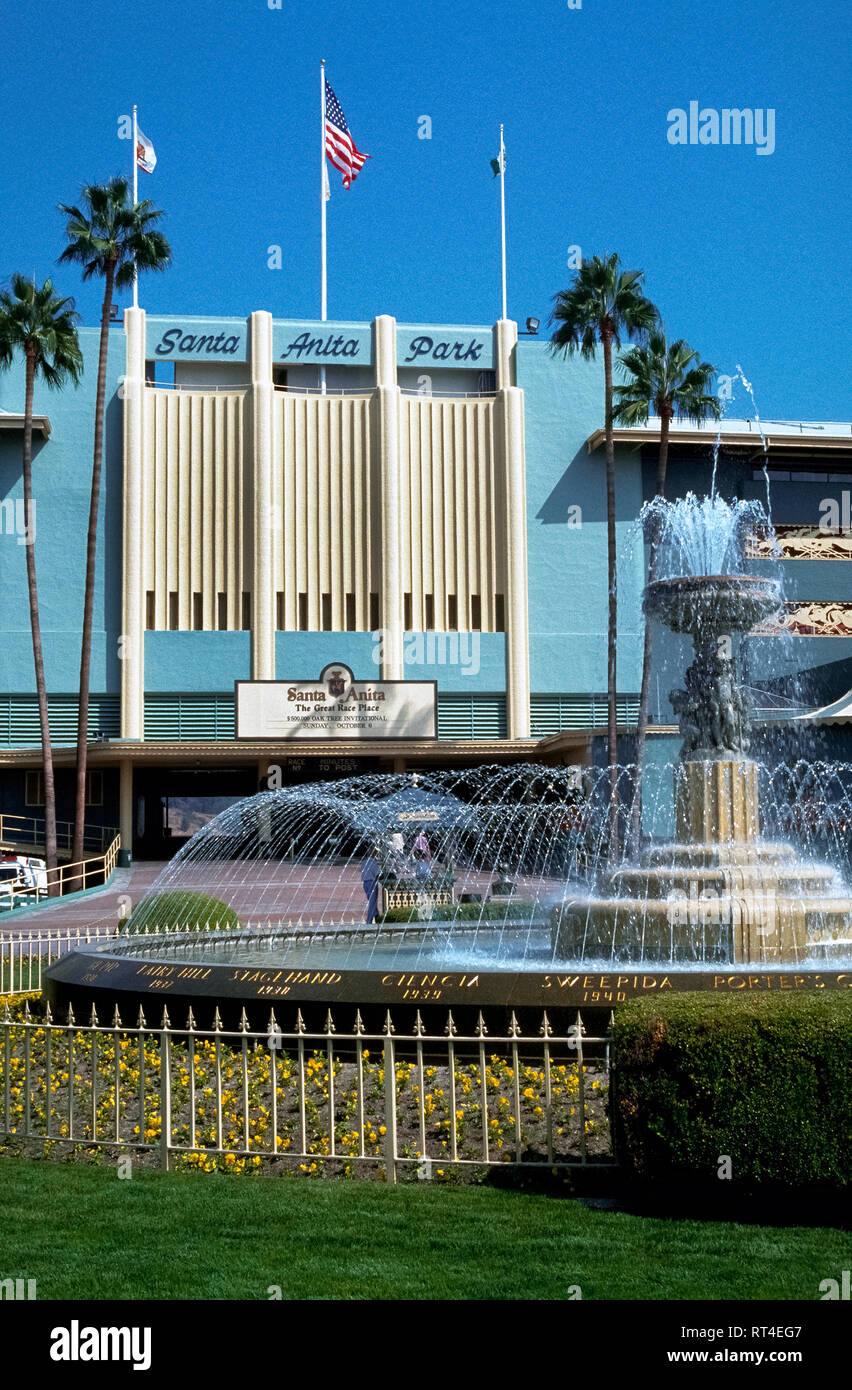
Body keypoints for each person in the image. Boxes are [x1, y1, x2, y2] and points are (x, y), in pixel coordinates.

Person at [360, 847, 382, 924]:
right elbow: (377, 874)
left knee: (372, 901)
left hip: (365, 883)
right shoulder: (373, 862)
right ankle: (369, 920)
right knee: (372, 902)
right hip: (372, 882)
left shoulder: (363, 862)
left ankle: (377, 916)